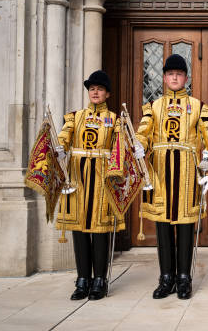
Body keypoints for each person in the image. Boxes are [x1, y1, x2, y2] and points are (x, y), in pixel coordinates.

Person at [134, 54, 208, 300]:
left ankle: (184, 278)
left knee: (184, 226)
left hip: (187, 174)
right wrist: (138, 145)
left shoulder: (198, 107)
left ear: (186, 77)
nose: (174, 77)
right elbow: (143, 133)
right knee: (162, 226)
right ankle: (165, 277)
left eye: (179, 73)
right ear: (164, 77)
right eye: (170, 73)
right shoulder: (153, 107)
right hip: (159, 173)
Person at [55, 70, 124, 301]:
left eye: (100, 89)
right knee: (79, 229)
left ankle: (100, 280)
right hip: (77, 178)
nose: (95, 92)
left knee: (100, 229)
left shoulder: (115, 120)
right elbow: (64, 137)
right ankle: (82, 278)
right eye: (92, 89)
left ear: (108, 94)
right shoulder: (75, 117)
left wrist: (116, 174)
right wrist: (60, 147)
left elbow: (118, 148)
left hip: (102, 179)